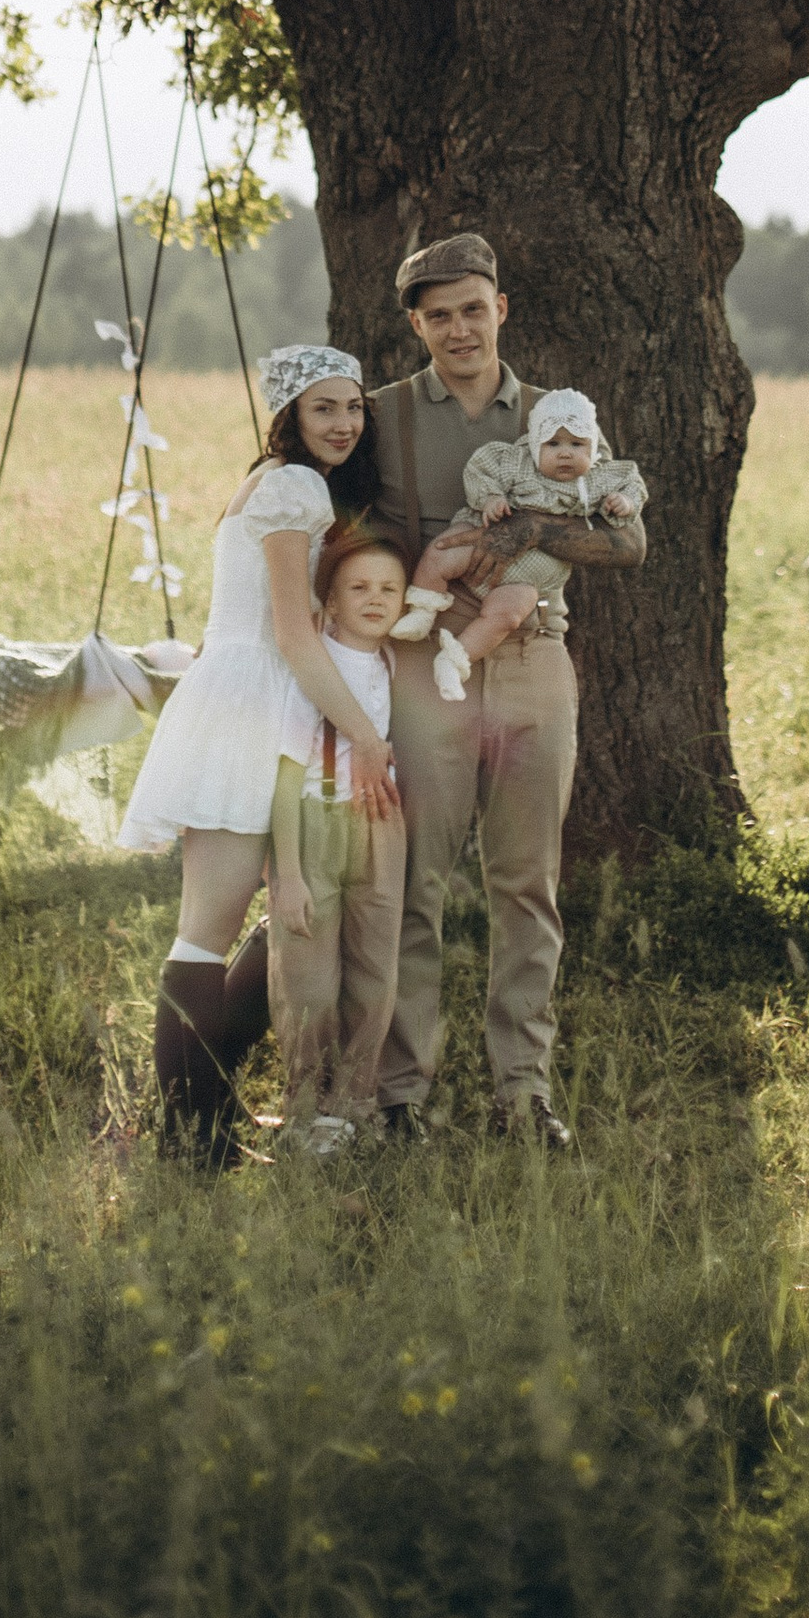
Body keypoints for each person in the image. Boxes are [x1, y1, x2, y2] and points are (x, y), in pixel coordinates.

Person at [369, 234, 645, 1152]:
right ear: (416, 324)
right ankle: (400, 1093)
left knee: (528, 884)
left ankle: (522, 1093)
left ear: (501, 310)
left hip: (536, 657)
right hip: (426, 663)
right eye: (438, 314)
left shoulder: (561, 417)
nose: (458, 328)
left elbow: (631, 545)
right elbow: (340, 541)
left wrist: (531, 526)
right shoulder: (383, 418)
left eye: (473, 308)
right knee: (418, 882)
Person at [119, 343, 393, 1164]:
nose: (343, 423)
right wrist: (367, 735)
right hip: (249, 707)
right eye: (324, 409)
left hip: (238, 696)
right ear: (290, 417)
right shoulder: (293, 485)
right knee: (206, 932)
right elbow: (291, 633)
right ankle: (192, 1140)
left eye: (353, 408)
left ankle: (208, 1107)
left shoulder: (266, 484)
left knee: (272, 921)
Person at [266, 524, 410, 1154]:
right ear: (331, 598)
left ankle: (355, 1101)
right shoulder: (313, 663)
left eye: (389, 588)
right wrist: (288, 873)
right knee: (310, 980)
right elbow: (285, 771)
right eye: (359, 587)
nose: (375, 598)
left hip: (380, 827)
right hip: (315, 822)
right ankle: (305, 1107)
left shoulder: (393, 658)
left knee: (375, 972)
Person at [391, 388, 647, 699]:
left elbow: (631, 488)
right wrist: (492, 499)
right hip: (482, 537)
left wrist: (625, 503)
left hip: (530, 575)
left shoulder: (597, 478)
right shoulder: (515, 461)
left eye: (577, 444)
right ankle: (423, 609)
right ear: (534, 442)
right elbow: (481, 471)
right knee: (441, 552)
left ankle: (454, 660)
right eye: (553, 444)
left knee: (509, 616)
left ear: (592, 447)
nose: (565, 453)